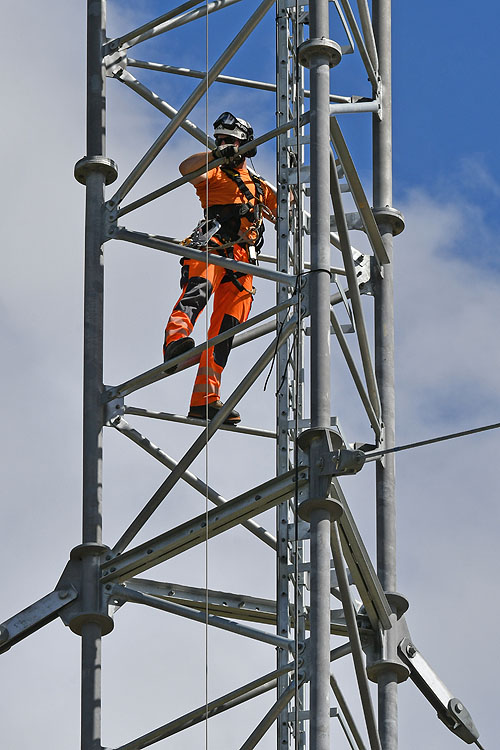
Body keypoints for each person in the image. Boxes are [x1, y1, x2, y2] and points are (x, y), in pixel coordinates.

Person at [163, 112, 277, 425]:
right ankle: (175, 342)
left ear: (247, 147)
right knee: (196, 295)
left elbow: (287, 211)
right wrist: (216, 155)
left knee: (225, 333)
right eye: (222, 140)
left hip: (243, 264)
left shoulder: (258, 185)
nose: (226, 146)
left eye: (232, 142)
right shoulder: (213, 174)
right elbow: (187, 168)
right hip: (211, 249)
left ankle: (205, 400)